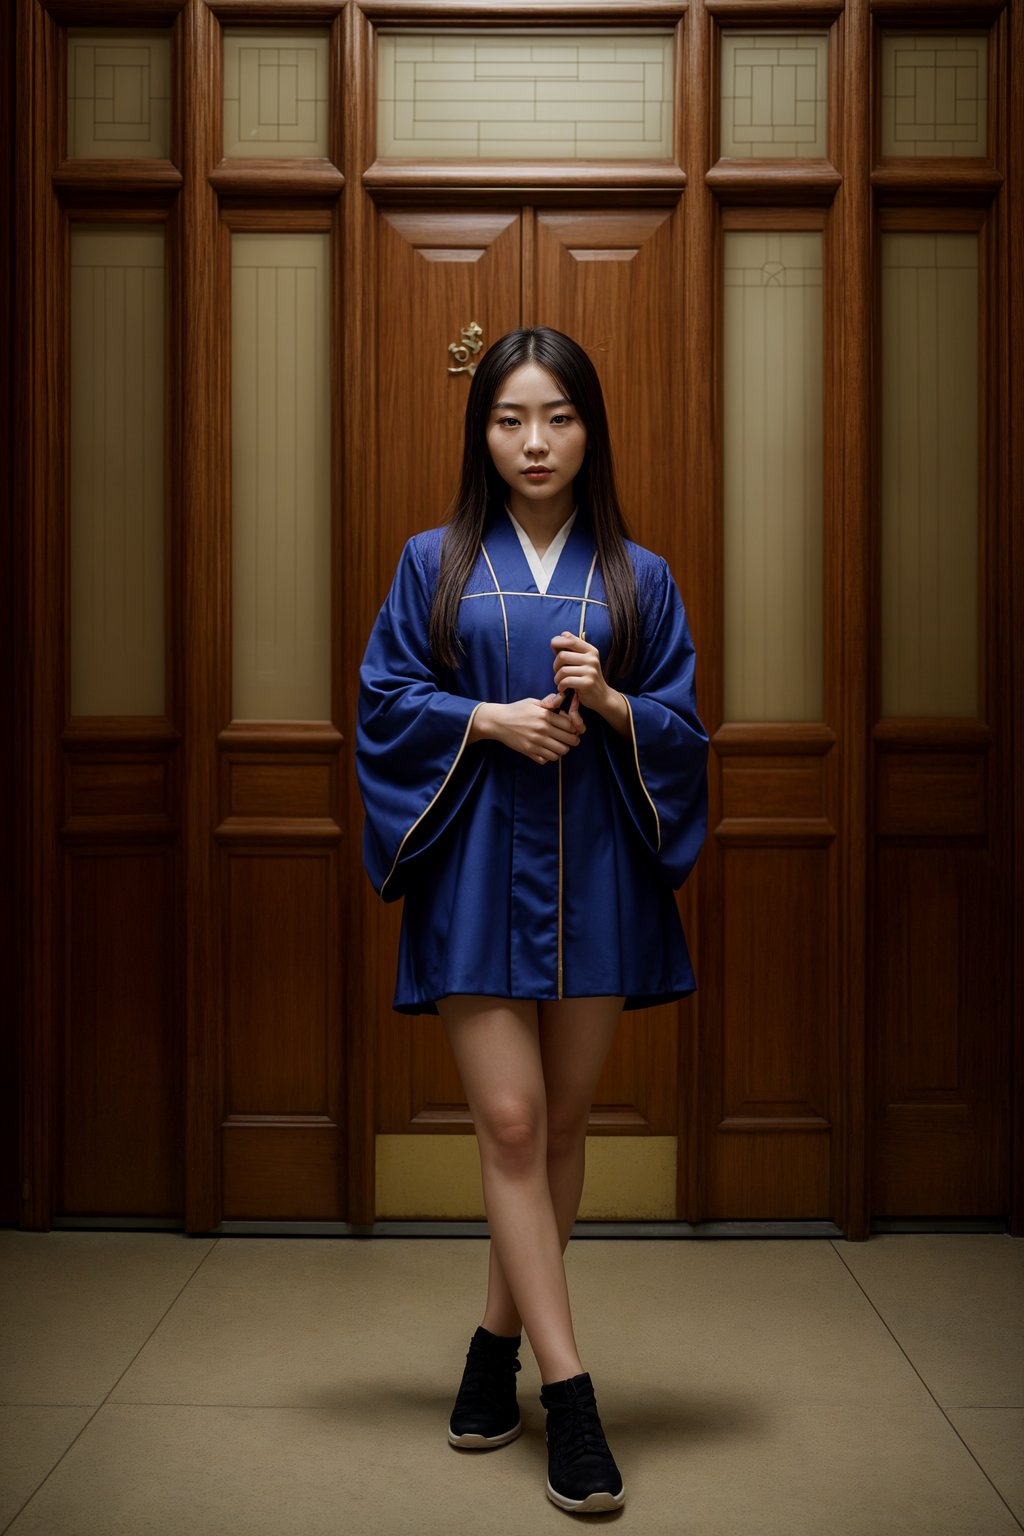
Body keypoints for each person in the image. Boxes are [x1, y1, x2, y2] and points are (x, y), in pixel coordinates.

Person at [356, 326, 708, 1514]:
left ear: (588, 428)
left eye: (555, 416)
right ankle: (570, 1398)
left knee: (558, 1127)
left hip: (595, 878)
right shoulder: (433, 565)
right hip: (473, 878)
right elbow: (384, 703)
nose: (534, 441)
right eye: (510, 418)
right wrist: (488, 721)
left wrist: (611, 703)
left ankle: (490, 1347)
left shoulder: (635, 579)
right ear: (483, 432)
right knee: (508, 1124)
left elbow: (684, 731)